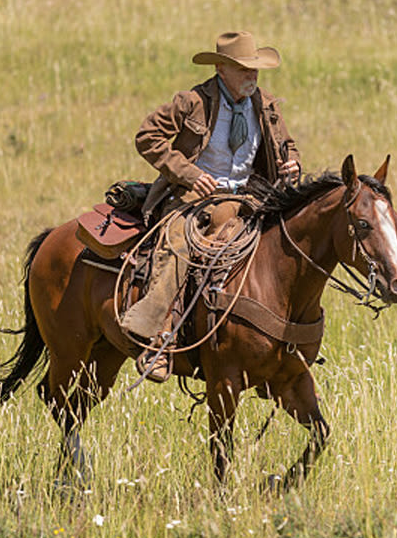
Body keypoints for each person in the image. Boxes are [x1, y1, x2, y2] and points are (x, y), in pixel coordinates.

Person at [122, 31, 301, 381]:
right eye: (243, 68)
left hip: (250, 197)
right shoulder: (192, 102)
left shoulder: (265, 105)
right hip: (192, 198)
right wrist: (188, 174)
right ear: (221, 68)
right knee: (178, 246)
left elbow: (287, 146)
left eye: (255, 68)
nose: (253, 76)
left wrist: (291, 163)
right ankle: (157, 339)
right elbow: (147, 137)